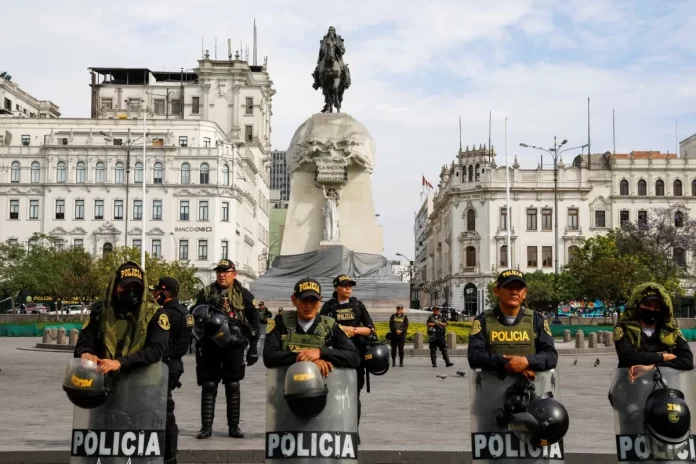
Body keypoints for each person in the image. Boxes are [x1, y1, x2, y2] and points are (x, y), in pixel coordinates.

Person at [193, 259, 260, 439]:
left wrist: (254, 346)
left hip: (234, 344)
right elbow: (194, 314)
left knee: (233, 384)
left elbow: (254, 320)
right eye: (219, 271)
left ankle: (234, 427)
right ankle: (206, 427)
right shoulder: (206, 292)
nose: (221, 274)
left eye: (225, 271)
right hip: (210, 345)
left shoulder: (244, 294)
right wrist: (209, 305)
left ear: (234, 274)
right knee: (209, 385)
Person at [74, 261, 169, 373]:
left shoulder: (155, 314)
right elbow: (84, 342)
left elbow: (155, 350)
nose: (131, 292)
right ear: (114, 287)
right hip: (103, 378)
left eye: (136, 287)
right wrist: (86, 353)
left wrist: (120, 363)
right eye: (125, 287)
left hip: (142, 382)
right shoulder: (100, 312)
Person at [467, 269, 557, 379]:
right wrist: (509, 364)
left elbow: (551, 356)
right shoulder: (483, 321)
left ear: (525, 293)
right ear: (497, 290)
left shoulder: (536, 320)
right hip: (492, 391)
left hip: (532, 391)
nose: (514, 292)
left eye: (518, 288)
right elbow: (474, 356)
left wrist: (526, 361)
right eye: (509, 287)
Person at [263, 277, 360, 373]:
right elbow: (269, 356)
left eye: (313, 300)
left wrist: (321, 352)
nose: (309, 306)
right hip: (285, 386)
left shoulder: (330, 326)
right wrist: (308, 360)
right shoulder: (281, 322)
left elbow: (354, 357)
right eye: (304, 300)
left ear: (320, 301)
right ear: (294, 300)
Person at [320, 275, 374, 438]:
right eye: (344, 285)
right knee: (331, 394)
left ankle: (352, 430)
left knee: (354, 395)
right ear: (337, 288)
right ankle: (333, 428)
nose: (348, 288)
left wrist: (355, 330)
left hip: (356, 358)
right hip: (335, 358)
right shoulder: (328, 308)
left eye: (350, 285)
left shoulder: (358, 306)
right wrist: (340, 329)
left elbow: (370, 329)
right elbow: (320, 329)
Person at [614, 282, 693, 381]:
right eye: (647, 305)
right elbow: (627, 357)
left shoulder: (671, 331)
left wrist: (652, 368)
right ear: (637, 305)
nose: (652, 309)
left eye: (656, 307)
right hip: (630, 388)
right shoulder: (624, 329)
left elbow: (687, 361)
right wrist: (664, 356)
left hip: (664, 387)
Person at [153, 277, 192, 464]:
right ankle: (169, 452)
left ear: (164, 292)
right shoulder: (184, 312)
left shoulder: (167, 314)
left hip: (165, 364)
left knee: (162, 411)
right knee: (166, 409)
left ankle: (168, 452)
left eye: (156, 292)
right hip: (176, 364)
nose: (154, 295)